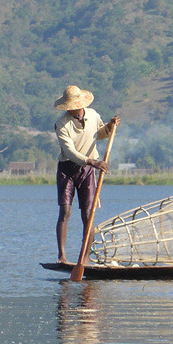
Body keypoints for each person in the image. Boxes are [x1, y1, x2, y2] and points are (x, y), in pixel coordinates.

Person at [53, 85, 120, 264]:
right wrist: (93, 162)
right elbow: (70, 152)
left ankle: (85, 257)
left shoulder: (93, 115)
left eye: (72, 105)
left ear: (79, 104)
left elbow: (100, 134)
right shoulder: (62, 124)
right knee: (65, 211)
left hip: (88, 171)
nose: (69, 109)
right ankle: (62, 256)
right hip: (68, 169)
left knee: (88, 214)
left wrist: (110, 126)